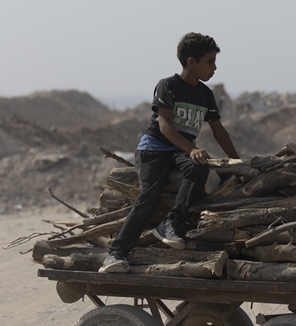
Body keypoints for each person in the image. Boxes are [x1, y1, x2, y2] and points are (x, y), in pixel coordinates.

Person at [100, 33, 240, 273]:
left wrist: (236, 158)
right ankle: (116, 254)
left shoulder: (206, 94)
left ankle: (171, 223)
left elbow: (218, 130)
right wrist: (191, 148)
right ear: (190, 62)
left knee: (200, 168)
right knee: (149, 198)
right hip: (154, 148)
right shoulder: (168, 85)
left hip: (180, 151)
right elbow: (164, 126)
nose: (214, 67)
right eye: (209, 61)